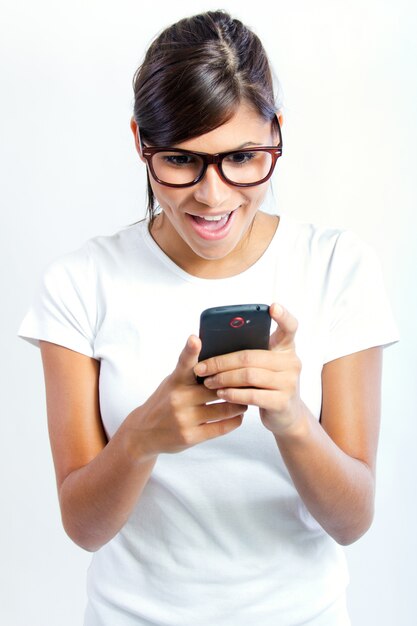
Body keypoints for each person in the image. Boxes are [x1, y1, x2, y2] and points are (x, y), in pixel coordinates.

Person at [17, 9, 399, 626]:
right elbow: (83, 529)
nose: (213, 195)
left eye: (243, 157)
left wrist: (292, 419)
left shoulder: (336, 266)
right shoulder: (79, 283)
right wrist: (144, 436)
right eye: (181, 160)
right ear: (142, 141)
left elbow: (353, 521)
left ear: (277, 133)